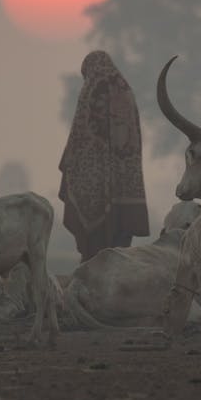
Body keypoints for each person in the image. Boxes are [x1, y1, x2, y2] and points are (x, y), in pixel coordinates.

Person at [59, 50, 149, 262]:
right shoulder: (126, 91)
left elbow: (79, 139)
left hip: (95, 182)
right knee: (120, 251)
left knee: (95, 254)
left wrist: (69, 162)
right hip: (126, 178)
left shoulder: (91, 89)